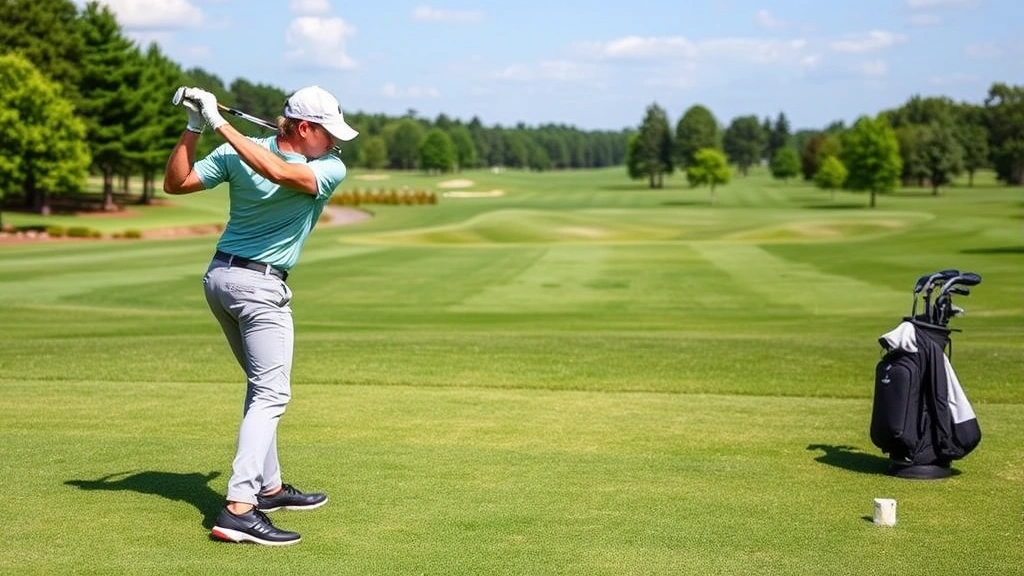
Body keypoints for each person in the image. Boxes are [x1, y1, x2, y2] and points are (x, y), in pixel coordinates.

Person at [162, 85, 358, 546]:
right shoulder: (241, 151)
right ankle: (239, 507)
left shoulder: (327, 168)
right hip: (257, 288)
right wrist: (194, 129)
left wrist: (217, 124)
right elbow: (177, 184)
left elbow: (279, 171)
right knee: (273, 392)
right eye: (329, 134)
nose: (336, 144)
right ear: (305, 128)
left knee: (260, 386)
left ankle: (268, 489)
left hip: (222, 281)